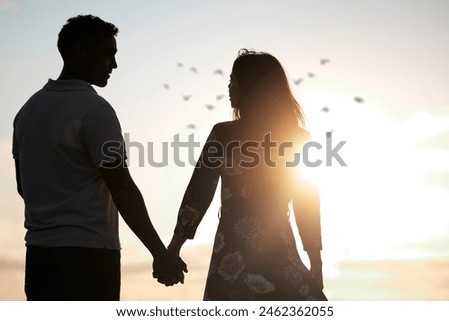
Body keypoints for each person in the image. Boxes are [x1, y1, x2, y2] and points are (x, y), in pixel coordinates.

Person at [12, 14, 186, 301]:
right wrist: (160, 253)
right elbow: (122, 188)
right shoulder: (95, 111)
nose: (114, 65)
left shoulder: (27, 111)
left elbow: (23, 186)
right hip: (88, 258)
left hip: (39, 259)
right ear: (81, 51)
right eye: (108, 54)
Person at [168, 49, 327, 300]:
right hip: (277, 252)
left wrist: (173, 248)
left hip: (233, 256)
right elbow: (306, 201)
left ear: (250, 86)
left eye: (233, 80)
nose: (229, 87)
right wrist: (316, 266)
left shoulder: (224, 135)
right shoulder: (295, 137)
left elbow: (199, 192)